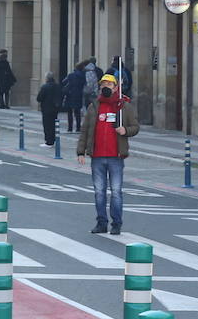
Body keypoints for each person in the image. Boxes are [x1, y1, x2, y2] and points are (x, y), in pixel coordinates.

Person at [77, 73, 139, 235]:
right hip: (97, 156)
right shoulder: (94, 107)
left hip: (115, 156)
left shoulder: (123, 107)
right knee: (99, 191)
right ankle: (101, 223)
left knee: (116, 192)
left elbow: (135, 127)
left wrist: (125, 130)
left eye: (109, 85)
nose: (105, 87)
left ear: (115, 88)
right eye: (103, 85)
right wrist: (81, 151)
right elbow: (85, 130)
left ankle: (116, 223)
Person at [61, 61, 88, 133]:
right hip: (78, 95)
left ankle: (70, 128)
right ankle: (78, 128)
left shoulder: (71, 75)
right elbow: (85, 85)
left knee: (69, 112)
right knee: (77, 112)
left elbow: (64, 82)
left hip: (70, 95)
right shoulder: (83, 76)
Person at [36, 72, 62, 147]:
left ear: (47, 78)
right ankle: (53, 139)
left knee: (47, 125)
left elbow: (39, 98)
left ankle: (48, 141)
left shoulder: (45, 87)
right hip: (55, 109)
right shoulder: (57, 86)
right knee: (53, 125)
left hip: (46, 109)